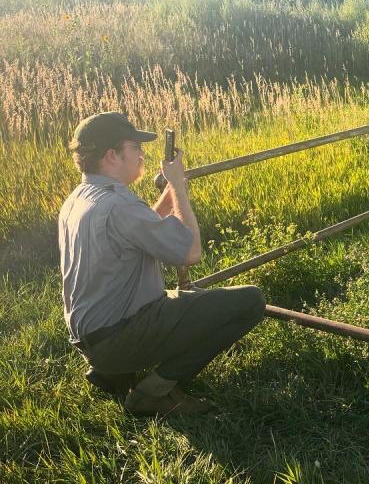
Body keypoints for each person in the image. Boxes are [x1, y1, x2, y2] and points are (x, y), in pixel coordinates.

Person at [58, 111, 265, 416]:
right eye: (135, 147)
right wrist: (180, 188)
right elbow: (191, 252)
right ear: (112, 155)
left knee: (194, 301)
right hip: (119, 335)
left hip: (93, 338)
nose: (141, 154)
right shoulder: (119, 205)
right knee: (250, 302)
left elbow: (141, 229)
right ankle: (153, 392)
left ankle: (113, 372)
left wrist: (170, 192)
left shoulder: (79, 199)